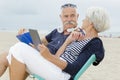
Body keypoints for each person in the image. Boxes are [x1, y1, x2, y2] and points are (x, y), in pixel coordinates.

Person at [7, 6, 110, 80]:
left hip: (62, 75)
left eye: (85, 18)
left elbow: (74, 69)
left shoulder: (95, 43)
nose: (82, 20)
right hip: (54, 67)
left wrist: (48, 57)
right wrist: (67, 42)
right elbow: (57, 56)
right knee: (15, 51)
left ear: (91, 23)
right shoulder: (81, 38)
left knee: (18, 49)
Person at [0, 3, 79, 77]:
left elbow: (63, 61)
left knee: (17, 52)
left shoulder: (77, 36)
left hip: (50, 65)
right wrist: (26, 36)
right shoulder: (57, 31)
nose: (69, 19)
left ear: (77, 16)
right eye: (66, 16)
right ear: (61, 17)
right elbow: (40, 42)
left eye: (72, 16)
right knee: (5, 56)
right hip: (39, 56)